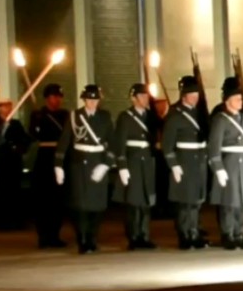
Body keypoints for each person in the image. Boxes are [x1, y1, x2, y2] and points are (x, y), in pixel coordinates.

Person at [54, 84, 116, 254]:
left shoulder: (105, 117)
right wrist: (58, 165)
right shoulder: (75, 116)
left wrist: (106, 164)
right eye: (89, 100)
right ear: (84, 100)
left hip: (98, 163)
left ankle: (92, 238)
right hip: (78, 166)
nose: (92, 103)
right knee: (80, 206)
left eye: (95, 100)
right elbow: (64, 141)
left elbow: (112, 142)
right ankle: (82, 239)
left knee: (97, 206)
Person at [206, 77, 243, 249]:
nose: (241, 102)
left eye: (241, 99)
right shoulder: (220, 119)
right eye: (237, 99)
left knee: (241, 202)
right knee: (228, 202)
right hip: (229, 164)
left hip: (242, 164)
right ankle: (228, 234)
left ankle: (239, 233)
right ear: (228, 101)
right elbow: (214, 147)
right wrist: (218, 168)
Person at [161, 75, 209, 250]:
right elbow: (167, 145)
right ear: (184, 96)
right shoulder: (175, 116)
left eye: (196, 94)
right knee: (185, 203)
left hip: (199, 162)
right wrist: (174, 165)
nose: (195, 97)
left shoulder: (199, 114)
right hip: (184, 162)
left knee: (196, 201)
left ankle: (194, 232)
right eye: (191, 94)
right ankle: (185, 235)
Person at [112, 83, 158, 250]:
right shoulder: (125, 117)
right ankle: (134, 237)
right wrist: (122, 166)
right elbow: (120, 143)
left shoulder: (151, 116)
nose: (146, 99)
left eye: (147, 96)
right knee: (133, 202)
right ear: (134, 98)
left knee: (146, 201)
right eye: (142, 96)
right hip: (133, 161)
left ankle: (145, 235)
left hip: (146, 161)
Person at [28, 83, 70, 248]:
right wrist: (38, 121)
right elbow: (33, 134)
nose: (57, 100)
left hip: (60, 156)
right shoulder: (37, 114)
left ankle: (55, 234)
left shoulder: (65, 114)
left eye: (59, 96)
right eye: (54, 96)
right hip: (44, 158)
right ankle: (43, 236)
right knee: (43, 199)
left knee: (57, 199)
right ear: (47, 98)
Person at [0, 96, 31, 231]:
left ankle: (16, 221)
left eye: (8, 105)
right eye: (3, 106)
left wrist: (18, 148)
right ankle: (2, 222)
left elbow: (25, 140)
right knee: (2, 192)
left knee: (15, 191)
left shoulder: (16, 124)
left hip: (14, 162)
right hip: (1, 162)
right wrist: (2, 129)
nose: (7, 108)